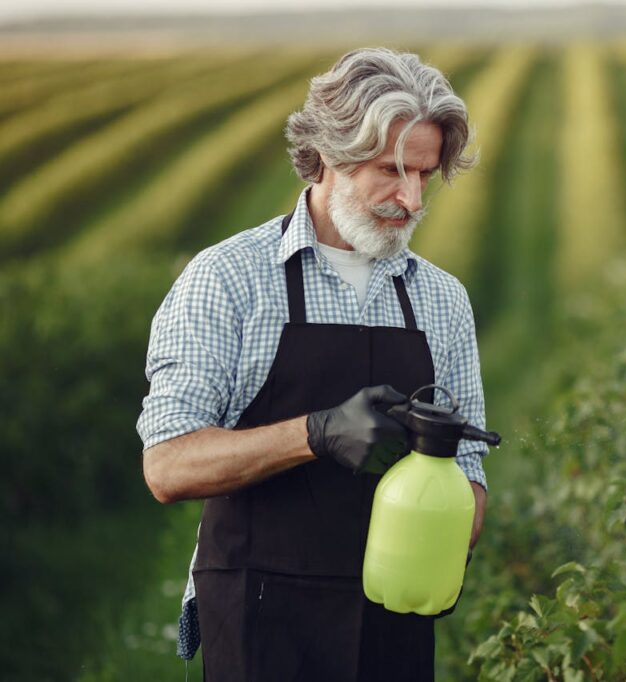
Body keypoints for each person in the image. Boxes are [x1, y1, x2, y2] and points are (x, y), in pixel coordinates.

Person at [137, 47, 490, 681]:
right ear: (329, 152)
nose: (410, 200)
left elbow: (471, 485)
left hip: (395, 620)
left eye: (424, 175)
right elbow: (168, 466)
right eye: (390, 169)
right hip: (259, 620)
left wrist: (443, 494)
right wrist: (316, 433)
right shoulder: (230, 279)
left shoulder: (442, 299)